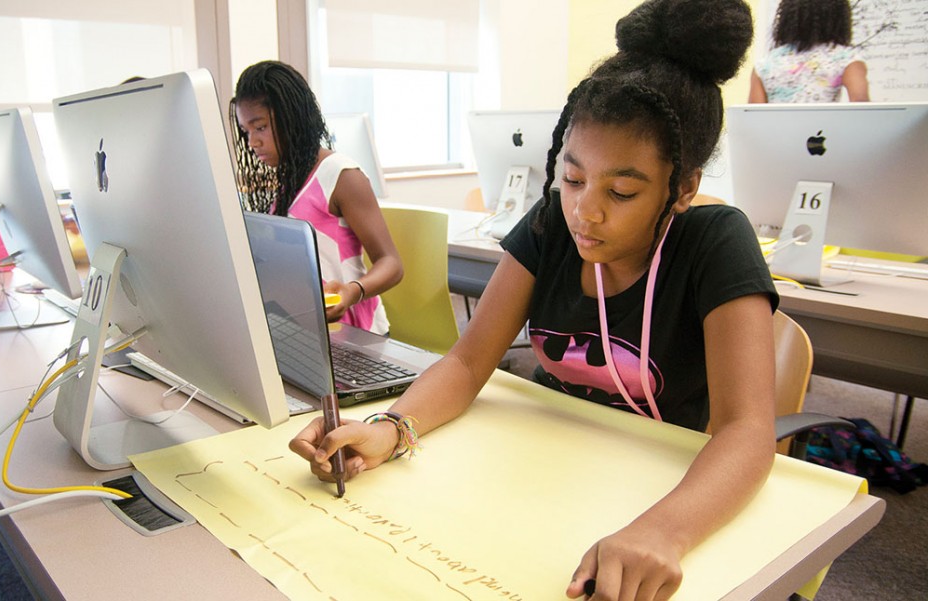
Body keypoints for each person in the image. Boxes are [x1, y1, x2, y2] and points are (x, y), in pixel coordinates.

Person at [290, 0, 778, 599]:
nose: (585, 211)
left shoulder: (715, 242)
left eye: (621, 191)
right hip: (548, 475)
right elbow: (470, 363)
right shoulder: (552, 225)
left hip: (667, 490)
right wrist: (391, 429)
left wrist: (662, 533)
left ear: (683, 189)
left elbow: (748, 430)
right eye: (572, 179)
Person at [231, 61, 402, 334]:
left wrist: (352, 292)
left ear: (291, 117)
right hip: (311, 330)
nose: (252, 142)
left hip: (356, 332)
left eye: (260, 127)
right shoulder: (288, 179)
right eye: (246, 131)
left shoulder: (342, 176)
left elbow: (392, 264)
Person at [749, 0, 870, 103]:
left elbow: (753, 119)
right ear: (839, 16)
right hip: (826, 130)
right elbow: (862, 109)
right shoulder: (847, 59)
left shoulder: (765, 65)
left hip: (778, 131)